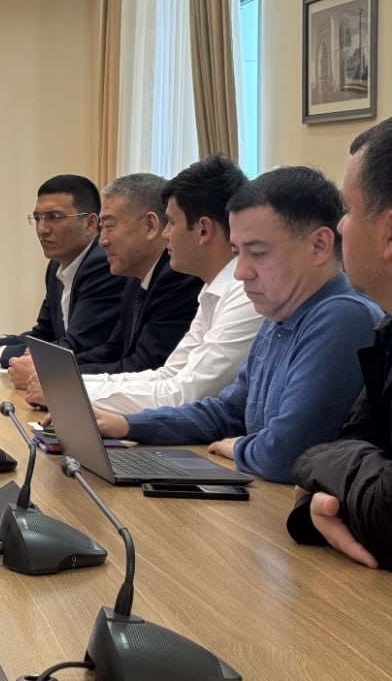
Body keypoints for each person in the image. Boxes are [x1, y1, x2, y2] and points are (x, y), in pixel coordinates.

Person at [95, 166, 382, 483]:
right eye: (236, 252)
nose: (240, 271)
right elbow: (227, 412)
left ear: (319, 245)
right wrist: (128, 424)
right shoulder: (279, 314)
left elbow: (287, 453)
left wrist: (239, 447)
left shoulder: (342, 317)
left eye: (257, 253)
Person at [26, 156, 262, 411]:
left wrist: (65, 390)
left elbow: (185, 394)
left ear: (203, 230)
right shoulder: (210, 289)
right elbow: (167, 376)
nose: (165, 233)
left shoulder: (244, 293)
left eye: (171, 222)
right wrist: (64, 385)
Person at [289, 119, 392, 568]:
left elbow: (387, 507)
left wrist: (315, 466)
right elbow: (350, 445)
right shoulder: (388, 327)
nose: (341, 227)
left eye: (347, 210)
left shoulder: (345, 313)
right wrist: (318, 507)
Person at [8, 173, 202, 389]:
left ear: (150, 226)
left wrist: (53, 375)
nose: (102, 241)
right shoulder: (135, 279)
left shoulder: (179, 279)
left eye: (109, 227)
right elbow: (112, 350)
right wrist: (50, 367)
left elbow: (145, 367)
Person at [0, 175, 126, 376]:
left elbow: (78, 345)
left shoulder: (103, 264)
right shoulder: (57, 265)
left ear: (90, 223)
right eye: (37, 218)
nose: (42, 229)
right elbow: (44, 335)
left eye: (54, 217)